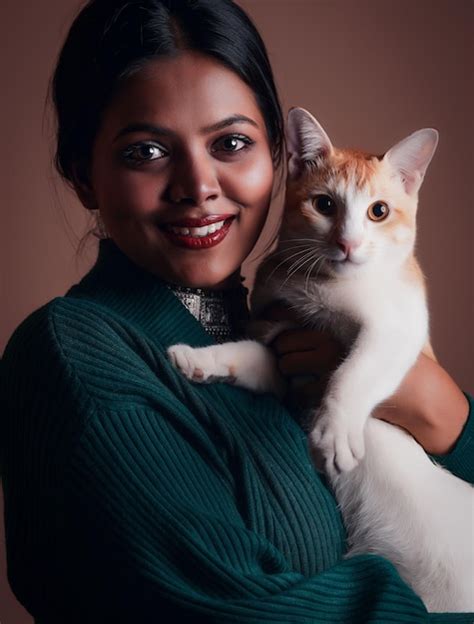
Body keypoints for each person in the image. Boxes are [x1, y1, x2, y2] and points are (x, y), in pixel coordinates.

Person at [0, 1, 472, 622]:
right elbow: (240, 609)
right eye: (145, 151)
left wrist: (450, 421)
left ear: (279, 161)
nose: (199, 187)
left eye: (231, 142)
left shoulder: (271, 336)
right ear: (81, 173)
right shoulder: (77, 358)